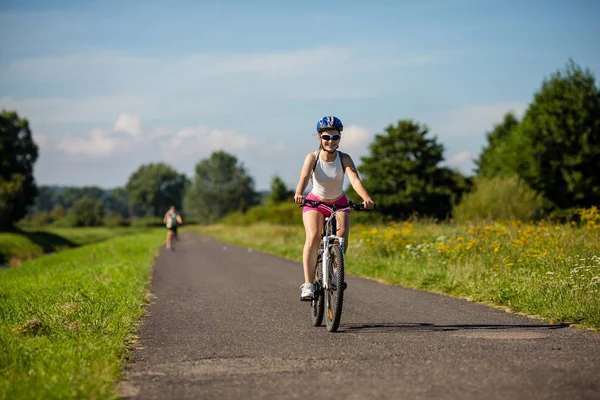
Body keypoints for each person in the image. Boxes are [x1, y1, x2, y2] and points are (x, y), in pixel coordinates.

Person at [293, 116, 374, 301]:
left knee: (342, 236)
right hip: (315, 202)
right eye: (326, 137)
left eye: (335, 137)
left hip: (339, 202)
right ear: (320, 137)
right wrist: (299, 193)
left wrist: (366, 198)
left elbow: (354, 179)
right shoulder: (312, 157)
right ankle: (308, 284)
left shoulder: (344, 158)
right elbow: (304, 177)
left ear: (340, 138)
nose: (331, 141)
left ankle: (335, 273)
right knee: (313, 236)